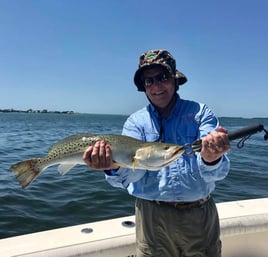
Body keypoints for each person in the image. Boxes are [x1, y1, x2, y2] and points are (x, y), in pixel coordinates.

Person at [83, 49, 231, 257]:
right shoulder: (136, 123)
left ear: (174, 79)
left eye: (162, 77)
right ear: (143, 87)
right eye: (148, 81)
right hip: (152, 217)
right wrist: (113, 167)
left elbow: (217, 173)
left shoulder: (200, 113)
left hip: (199, 216)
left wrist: (211, 158)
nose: (156, 86)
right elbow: (132, 176)